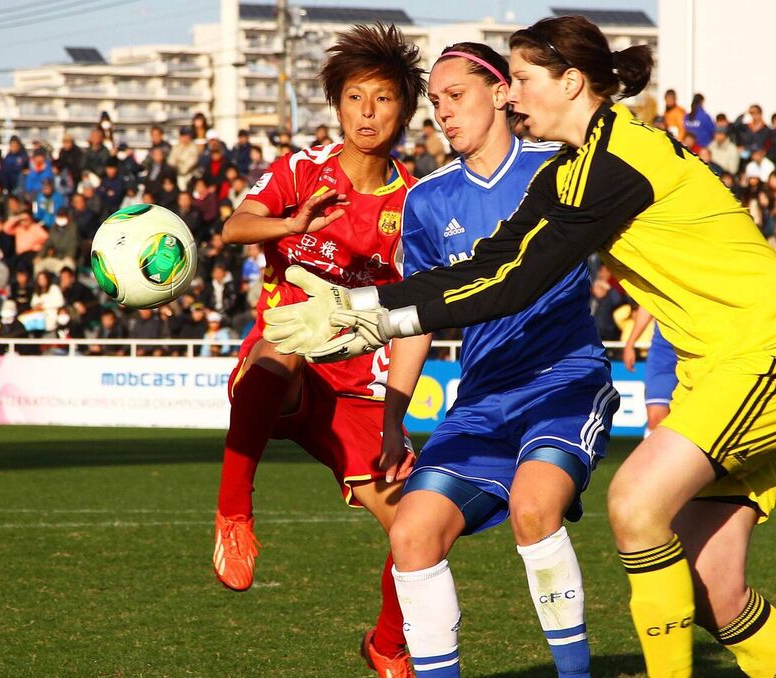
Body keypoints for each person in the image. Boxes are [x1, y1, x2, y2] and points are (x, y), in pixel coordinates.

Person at [264, 15, 776, 678]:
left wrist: (378, 317)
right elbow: (492, 262)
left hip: (762, 355)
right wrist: (359, 306)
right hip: (719, 372)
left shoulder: (616, 160)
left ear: (571, 82)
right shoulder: (573, 170)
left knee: (635, 504)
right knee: (715, 592)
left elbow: (514, 283)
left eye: (525, 79)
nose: (514, 94)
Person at [368, 43, 616, 678]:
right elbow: (416, 317)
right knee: (411, 534)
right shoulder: (426, 202)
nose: (443, 113)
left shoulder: (564, 167)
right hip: (481, 398)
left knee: (534, 510)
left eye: (456, 96)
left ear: (503, 92)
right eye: (435, 103)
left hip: (563, 379)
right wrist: (395, 418)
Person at [211, 23, 425, 678]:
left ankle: (388, 645)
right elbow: (232, 228)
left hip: (358, 392)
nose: (367, 111)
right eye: (356, 96)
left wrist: (393, 421)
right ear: (337, 104)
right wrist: (292, 224)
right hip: (279, 371)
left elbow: (417, 320)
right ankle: (233, 513)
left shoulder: (417, 202)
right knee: (288, 339)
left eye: (383, 98)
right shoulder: (305, 170)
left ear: (405, 110)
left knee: (421, 527)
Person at [624, 307, 677, 433]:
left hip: (703, 349)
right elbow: (647, 304)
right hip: (664, 351)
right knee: (655, 419)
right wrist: (630, 343)